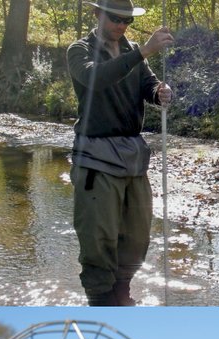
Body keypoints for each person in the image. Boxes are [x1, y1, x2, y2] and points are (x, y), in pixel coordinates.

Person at [67, 0, 174, 306]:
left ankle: (123, 292)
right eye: (115, 18)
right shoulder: (79, 50)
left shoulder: (133, 49)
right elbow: (96, 78)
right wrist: (143, 52)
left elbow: (148, 84)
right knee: (98, 240)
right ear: (97, 14)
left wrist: (159, 92)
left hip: (133, 159)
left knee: (137, 238)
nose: (121, 25)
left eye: (127, 20)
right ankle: (101, 302)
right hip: (95, 159)